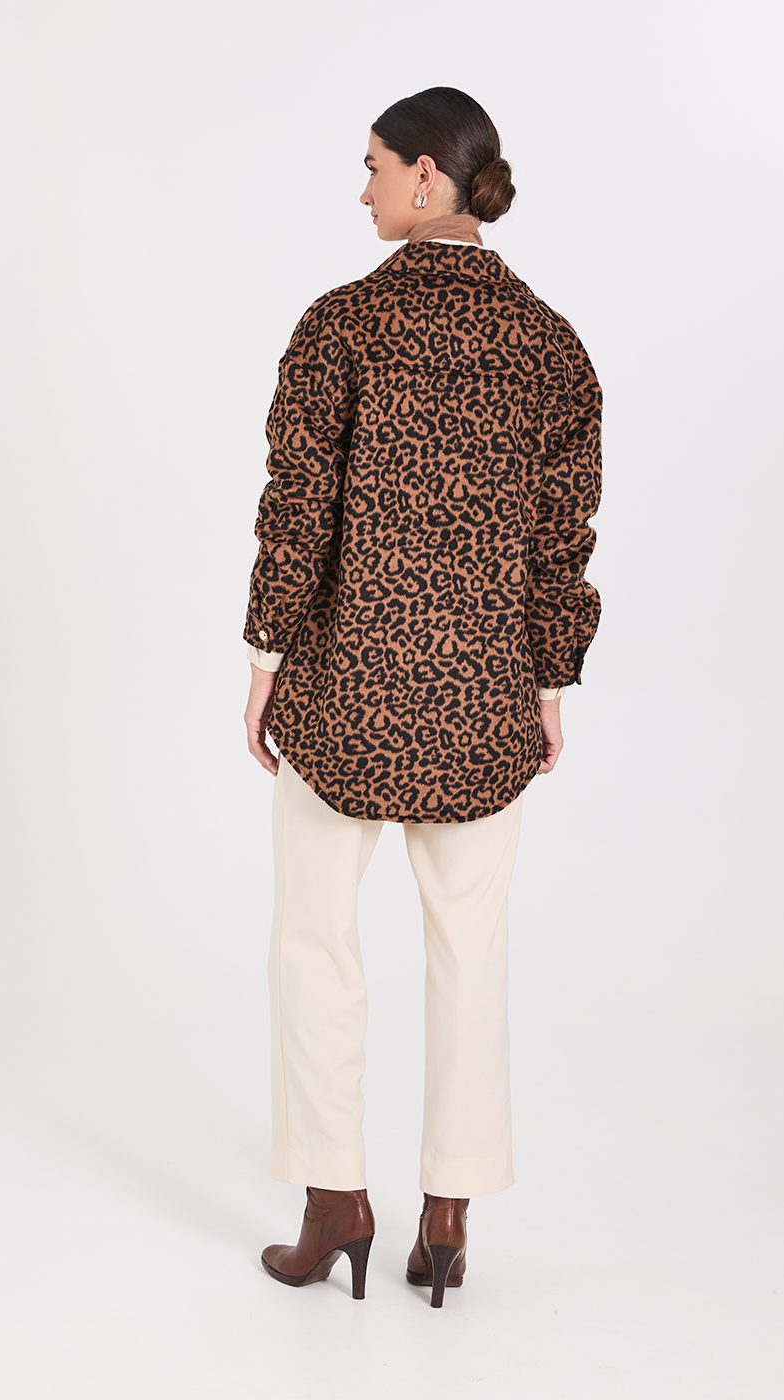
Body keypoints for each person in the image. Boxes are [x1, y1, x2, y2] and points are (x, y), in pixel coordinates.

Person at [243, 87, 602, 1308]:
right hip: (481, 702)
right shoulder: (550, 345)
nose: (360, 190)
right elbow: (561, 538)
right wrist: (547, 682)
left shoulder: (340, 325)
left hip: (343, 692)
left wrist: (263, 659)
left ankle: (332, 1200)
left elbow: (297, 508)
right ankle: (446, 1215)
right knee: (470, 948)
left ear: (425, 178)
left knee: (314, 940)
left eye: (372, 166)